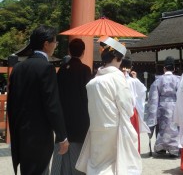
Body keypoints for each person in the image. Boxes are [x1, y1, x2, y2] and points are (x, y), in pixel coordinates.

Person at [7, 25, 69, 175]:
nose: (55, 45)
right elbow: (52, 105)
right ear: (46, 44)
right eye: (55, 42)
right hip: (39, 135)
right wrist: (62, 136)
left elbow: (12, 104)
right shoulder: (46, 68)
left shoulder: (18, 69)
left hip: (20, 133)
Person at [76, 36, 142, 175]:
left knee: (97, 164)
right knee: (112, 166)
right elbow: (127, 107)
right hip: (113, 129)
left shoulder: (94, 81)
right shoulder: (117, 77)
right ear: (117, 58)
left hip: (96, 127)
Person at [50, 38, 93, 175]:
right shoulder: (85, 70)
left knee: (60, 158)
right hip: (80, 120)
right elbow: (88, 96)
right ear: (83, 52)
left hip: (62, 119)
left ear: (69, 51)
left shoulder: (62, 70)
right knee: (77, 159)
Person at [146, 56, 180, 157]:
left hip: (162, 107)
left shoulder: (158, 81)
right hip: (175, 106)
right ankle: (174, 150)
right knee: (174, 127)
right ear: (174, 69)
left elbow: (153, 98)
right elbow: (182, 96)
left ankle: (161, 149)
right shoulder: (179, 80)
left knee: (162, 127)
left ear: (164, 68)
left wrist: (152, 113)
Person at [120, 54, 150, 153]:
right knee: (133, 134)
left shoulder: (117, 80)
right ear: (130, 68)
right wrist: (136, 78)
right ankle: (134, 154)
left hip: (120, 112)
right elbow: (142, 91)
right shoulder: (133, 81)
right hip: (132, 112)